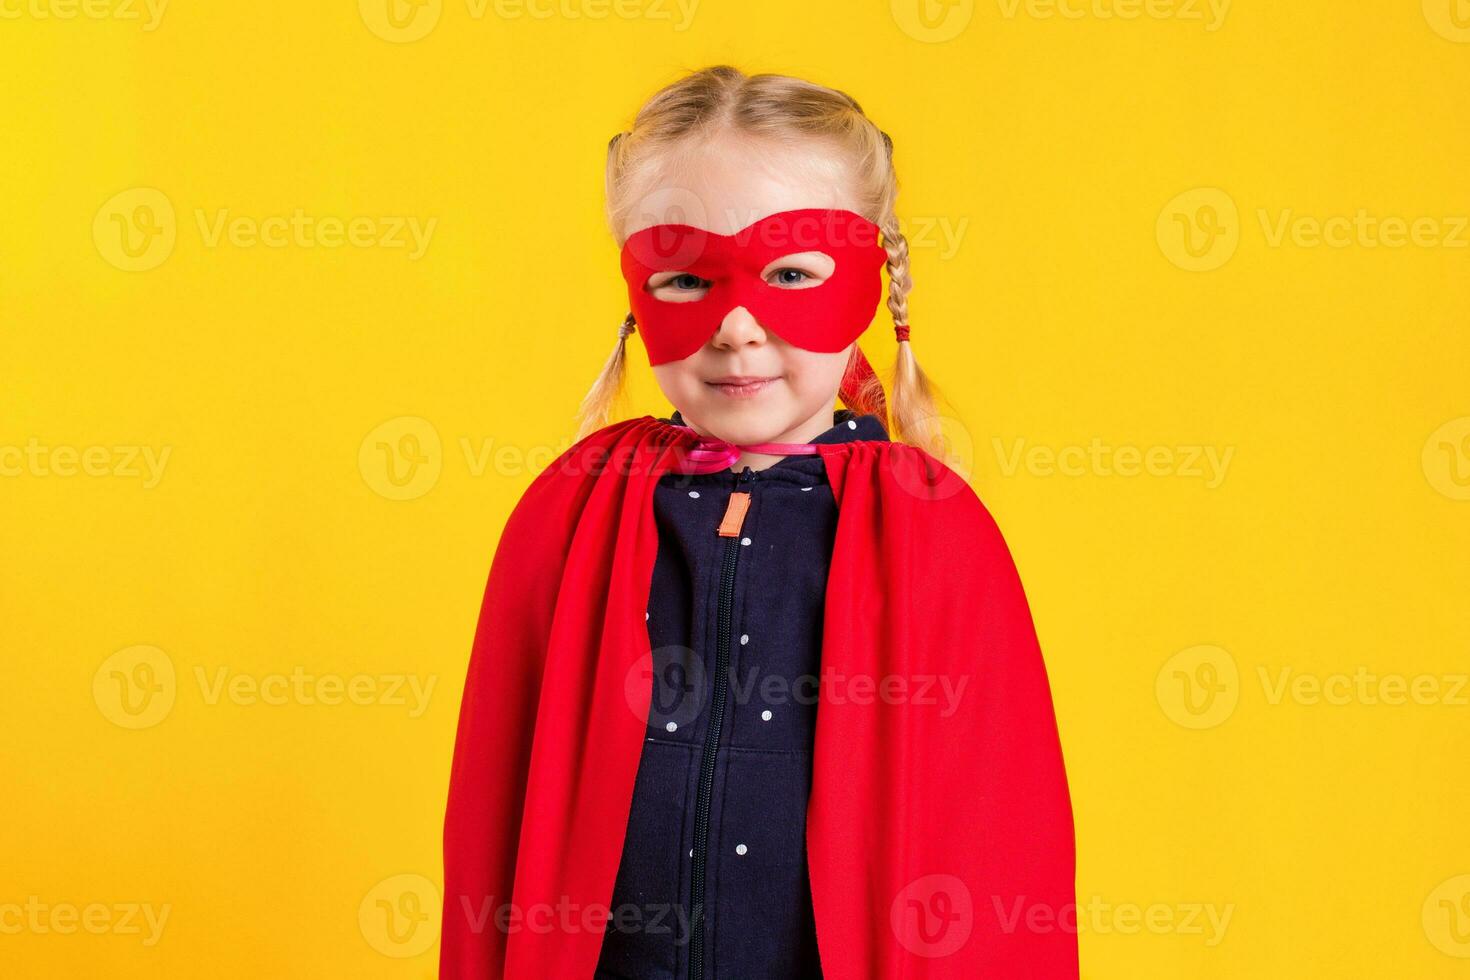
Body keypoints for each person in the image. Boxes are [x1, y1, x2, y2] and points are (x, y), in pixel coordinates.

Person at [441, 65, 1077, 979]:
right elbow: (502, 820)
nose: (737, 326)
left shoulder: (934, 532)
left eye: (788, 274)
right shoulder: (571, 513)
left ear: (868, 281)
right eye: (688, 277)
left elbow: (989, 842)